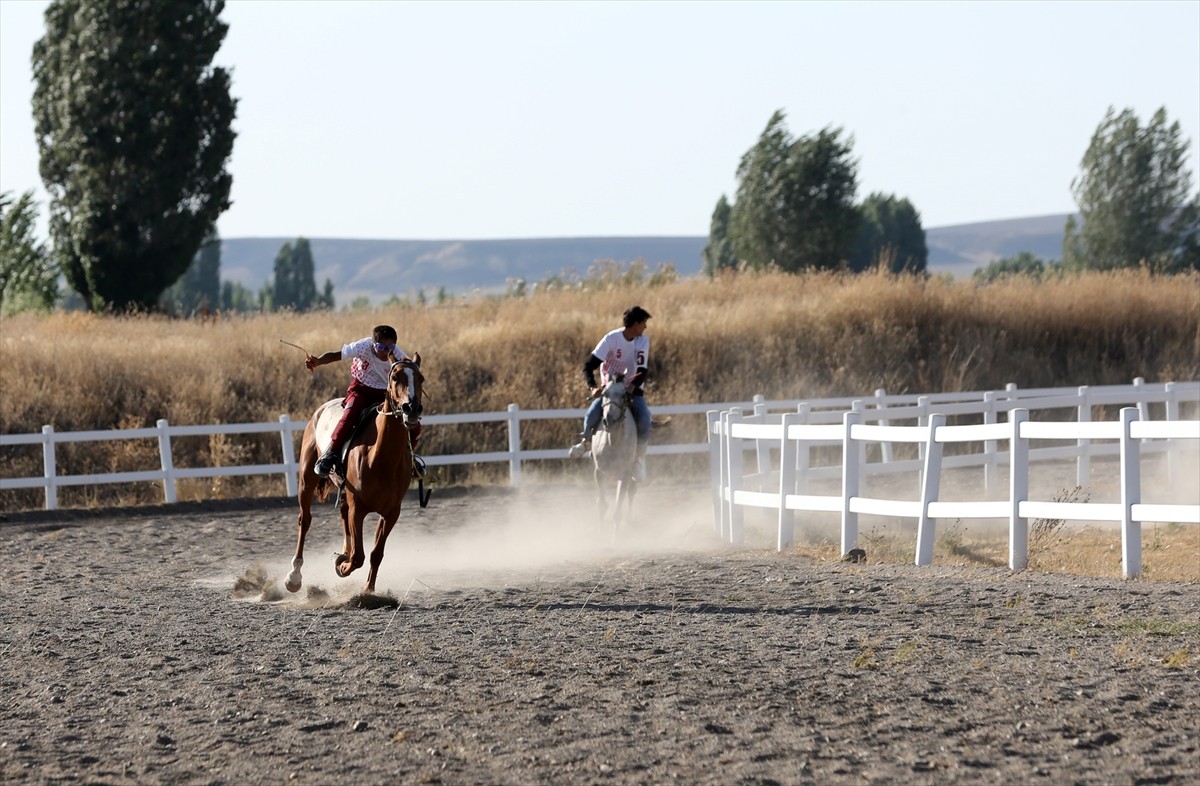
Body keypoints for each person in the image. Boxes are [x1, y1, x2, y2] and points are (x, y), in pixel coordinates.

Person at [305, 324, 418, 478]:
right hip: (361, 389)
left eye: (390, 347)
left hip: (384, 394)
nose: (385, 352)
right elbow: (335, 355)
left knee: (413, 424)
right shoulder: (362, 347)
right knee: (350, 414)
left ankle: (409, 458)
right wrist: (318, 361)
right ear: (373, 344)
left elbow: (410, 373)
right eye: (381, 347)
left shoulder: (398, 355)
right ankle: (330, 453)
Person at [567, 305, 653, 481]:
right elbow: (588, 366)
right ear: (635, 323)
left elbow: (642, 370)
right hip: (611, 390)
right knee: (591, 414)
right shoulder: (611, 339)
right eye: (643, 323)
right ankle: (586, 443)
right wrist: (593, 387)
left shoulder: (642, 341)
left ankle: (638, 459)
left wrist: (631, 387)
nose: (645, 327)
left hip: (633, 389)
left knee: (644, 419)